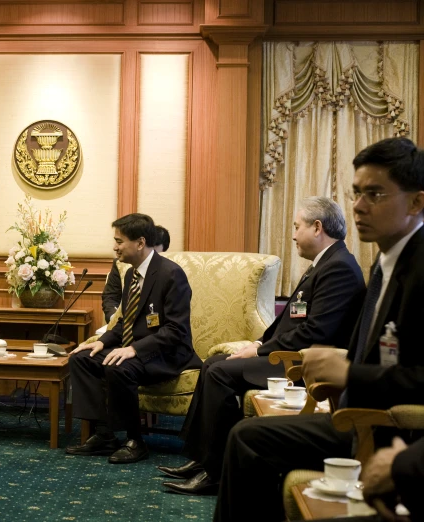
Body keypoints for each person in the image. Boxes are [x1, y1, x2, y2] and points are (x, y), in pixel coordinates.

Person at [213, 137, 424, 522]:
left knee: (249, 439)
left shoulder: (418, 268)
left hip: (389, 430)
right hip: (355, 411)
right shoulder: (385, 262)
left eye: (374, 194)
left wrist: (348, 371)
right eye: (356, 193)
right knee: (247, 436)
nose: (358, 206)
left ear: (415, 202)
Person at [162, 196, 365, 495]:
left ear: (317, 227)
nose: (294, 235)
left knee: (219, 372)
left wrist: (258, 351)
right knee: (213, 364)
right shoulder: (325, 263)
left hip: (302, 363)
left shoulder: (339, 268)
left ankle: (215, 472)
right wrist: (258, 341)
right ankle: (203, 458)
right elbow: (291, 321)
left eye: (297, 227)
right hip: (287, 354)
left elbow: (315, 331)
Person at [66, 214, 201, 464]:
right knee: (84, 359)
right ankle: (104, 434)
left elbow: (176, 330)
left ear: (140, 243)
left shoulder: (171, 274)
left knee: (120, 366)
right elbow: (124, 322)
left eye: (119, 241)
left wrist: (134, 349)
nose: (115, 247)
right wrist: (103, 341)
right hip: (138, 351)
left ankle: (135, 441)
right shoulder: (130, 275)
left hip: (167, 354)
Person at [102, 225, 170, 323]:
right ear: (141, 246)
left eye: (154, 253)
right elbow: (110, 297)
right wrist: (115, 319)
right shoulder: (128, 271)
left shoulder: (170, 273)